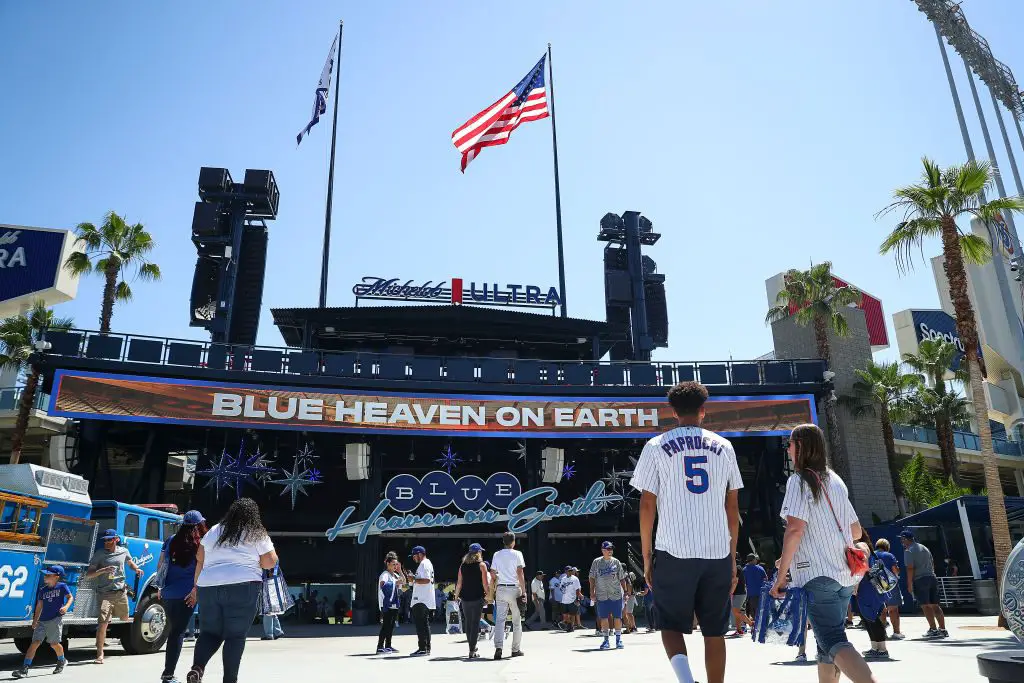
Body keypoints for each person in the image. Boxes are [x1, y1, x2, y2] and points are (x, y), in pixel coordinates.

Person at [630, 381, 742, 683]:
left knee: (670, 624)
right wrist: (732, 559)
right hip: (717, 551)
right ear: (703, 411)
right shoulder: (725, 447)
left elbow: (646, 506)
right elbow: (733, 511)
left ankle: (686, 680)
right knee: (715, 631)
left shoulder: (655, 447)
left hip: (674, 548)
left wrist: (647, 556)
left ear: (673, 412)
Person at [770, 424, 877, 683]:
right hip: (844, 576)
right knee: (825, 646)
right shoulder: (835, 480)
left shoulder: (798, 481)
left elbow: (794, 529)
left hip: (816, 575)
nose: (788, 449)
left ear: (802, 446)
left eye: (791, 444)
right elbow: (855, 531)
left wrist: (780, 575)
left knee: (832, 640)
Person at [187, 497, 278, 683]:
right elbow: (270, 561)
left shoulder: (214, 530)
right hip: (243, 586)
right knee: (235, 636)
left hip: (208, 586)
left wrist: (197, 587)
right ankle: (229, 679)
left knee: (209, 633)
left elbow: (200, 557)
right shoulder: (256, 532)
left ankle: (197, 668)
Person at [158, 510, 208, 681]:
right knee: (178, 633)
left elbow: (161, 565)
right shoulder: (200, 543)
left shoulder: (171, 540)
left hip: (168, 593)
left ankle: (168, 673)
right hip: (188, 594)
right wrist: (196, 591)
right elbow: (203, 569)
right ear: (199, 525)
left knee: (175, 631)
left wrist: (160, 587)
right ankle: (169, 674)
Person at [86, 528, 143, 664]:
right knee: (102, 625)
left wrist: (136, 569)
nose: (106, 542)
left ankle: (109, 618)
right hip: (105, 594)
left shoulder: (123, 551)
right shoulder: (100, 554)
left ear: (116, 539)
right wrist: (102, 570)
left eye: (109, 539)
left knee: (124, 618)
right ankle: (100, 654)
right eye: (105, 540)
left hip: (121, 593)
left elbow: (129, 562)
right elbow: (89, 574)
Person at [12, 566, 72, 678]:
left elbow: (70, 597)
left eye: (48, 575)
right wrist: (35, 620)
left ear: (56, 577)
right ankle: (25, 668)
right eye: (45, 575)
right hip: (42, 621)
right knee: (35, 643)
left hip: (55, 619)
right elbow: (39, 606)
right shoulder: (42, 590)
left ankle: (61, 660)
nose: (45, 577)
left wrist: (66, 607)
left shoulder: (62, 587)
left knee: (54, 644)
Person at [900, 530, 948, 639]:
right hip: (932, 577)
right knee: (935, 605)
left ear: (906, 539)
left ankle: (933, 629)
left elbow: (910, 568)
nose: (901, 541)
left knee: (925, 606)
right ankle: (943, 629)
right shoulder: (924, 548)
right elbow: (932, 562)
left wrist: (909, 584)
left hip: (920, 580)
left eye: (902, 539)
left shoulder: (908, 551)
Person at [490, 531, 526, 660]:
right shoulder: (517, 554)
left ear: (503, 542)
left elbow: (492, 572)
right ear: (513, 541)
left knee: (500, 620)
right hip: (514, 589)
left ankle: (498, 648)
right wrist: (524, 590)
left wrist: (499, 577)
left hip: (501, 589)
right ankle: (515, 649)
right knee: (517, 621)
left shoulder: (496, 554)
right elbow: (520, 573)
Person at [855, 536, 892, 661]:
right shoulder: (866, 546)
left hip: (866, 587)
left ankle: (882, 649)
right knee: (869, 619)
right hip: (872, 587)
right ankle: (876, 647)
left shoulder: (860, 546)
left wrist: (856, 585)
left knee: (871, 618)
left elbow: (863, 567)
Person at [589, 540, 628, 650]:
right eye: (608, 549)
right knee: (604, 618)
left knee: (617, 617)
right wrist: (592, 592)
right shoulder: (596, 562)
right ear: (603, 550)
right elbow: (592, 577)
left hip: (615, 594)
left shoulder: (616, 562)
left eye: (611, 549)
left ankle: (618, 639)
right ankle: (606, 640)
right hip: (601, 595)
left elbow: (622, 578)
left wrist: (625, 592)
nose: (610, 551)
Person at [453, 543, 490, 659]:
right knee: (475, 624)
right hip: (477, 597)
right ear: (478, 553)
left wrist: (456, 596)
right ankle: (472, 650)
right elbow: (485, 583)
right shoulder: (482, 565)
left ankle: (471, 647)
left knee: (468, 623)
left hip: (465, 598)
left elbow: (459, 583)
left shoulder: (462, 566)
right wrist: (488, 596)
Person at [873, 538, 904, 639]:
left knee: (881, 609)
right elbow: (895, 570)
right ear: (887, 546)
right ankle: (896, 633)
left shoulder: (871, 555)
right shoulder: (889, 555)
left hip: (875, 585)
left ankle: (882, 634)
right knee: (893, 609)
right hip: (890, 585)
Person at [409, 545, 435, 656]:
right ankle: (426, 648)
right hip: (424, 599)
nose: (413, 558)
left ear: (420, 554)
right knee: (424, 624)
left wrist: (413, 579)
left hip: (421, 599)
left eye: (414, 556)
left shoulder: (424, 564)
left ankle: (422, 648)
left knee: (421, 624)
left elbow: (426, 580)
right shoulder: (426, 564)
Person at [377, 552, 405, 653]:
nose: (395, 566)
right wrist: (395, 583)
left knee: (391, 626)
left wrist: (400, 571)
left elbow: (404, 582)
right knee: (385, 626)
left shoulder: (395, 575)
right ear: (387, 563)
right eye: (393, 564)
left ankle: (388, 645)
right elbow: (382, 585)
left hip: (394, 604)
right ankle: (380, 647)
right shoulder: (384, 575)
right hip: (386, 604)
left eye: (396, 564)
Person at [261, 563, 285, 641]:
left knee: (267, 612)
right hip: (274, 588)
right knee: (273, 612)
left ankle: (269, 635)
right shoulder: (276, 563)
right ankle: (278, 632)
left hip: (270, 587)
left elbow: (272, 574)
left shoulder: (271, 564)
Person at [742, 553, 768, 623]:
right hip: (762, 594)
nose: (756, 560)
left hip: (751, 595)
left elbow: (743, 583)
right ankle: (763, 628)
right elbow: (766, 579)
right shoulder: (760, 568)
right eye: (756, 559)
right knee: (763, 611)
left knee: (754, 613)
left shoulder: (744, 570)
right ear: (753, 560)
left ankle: (756, 628)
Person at [730, 558, 751, 637]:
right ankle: (739, 630)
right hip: (739, 593)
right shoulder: (737, 568)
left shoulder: (737, 568)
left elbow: (735, 581)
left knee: (736, 612)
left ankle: (751, 624)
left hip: (739, 593)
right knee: (738, 612)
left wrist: (730, 592)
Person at [558, 566, 582, 632]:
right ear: (565, 571)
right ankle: (569, 624)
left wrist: (577, 599)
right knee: (565, 615)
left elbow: (577, 589)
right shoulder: (563, 579)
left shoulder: (575, 579)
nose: (570, 572)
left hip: (572, 599)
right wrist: (562, 588)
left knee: (572, 614)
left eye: (571, 570)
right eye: (569, 571)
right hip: (564, 600)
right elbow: (561, 588)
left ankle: (571, 627)